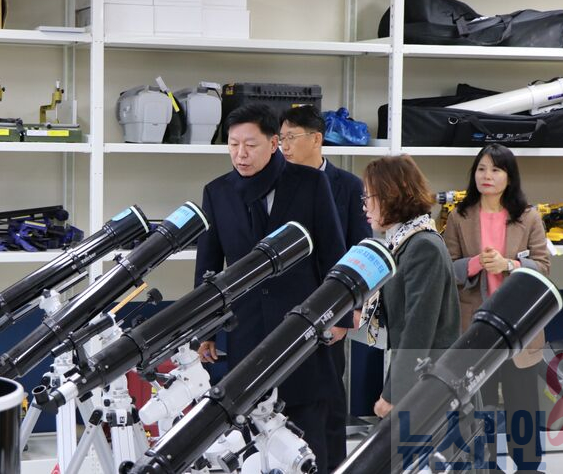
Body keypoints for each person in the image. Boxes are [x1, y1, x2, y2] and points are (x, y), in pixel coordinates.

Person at [194, 103, 347, 472]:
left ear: (274, 143)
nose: (240, 155)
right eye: (233, 145)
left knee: (308, 432)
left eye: (250, 145)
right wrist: (206, 331)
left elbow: (333, 253)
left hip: (303, 324)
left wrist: (340, 315)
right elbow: (209, 265)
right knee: (251, 432)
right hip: (246, 327)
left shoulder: (310, 183)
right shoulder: (217, 192)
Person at [278, 105, 377, 467]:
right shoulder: (276, 182)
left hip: (328, 310)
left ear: (317, 139)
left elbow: (360, 251)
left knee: (330, 399)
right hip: (282, 310)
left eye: (291, 138)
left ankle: (334, 466)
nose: (284, 146)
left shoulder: (347, 186)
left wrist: (348, 312)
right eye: (281, 139)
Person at [443, 143, 550, 474]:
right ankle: (485, 465)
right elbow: (447, 269)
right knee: (480, 405)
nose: (486, 176)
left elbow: (543, 266)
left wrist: (510, 264)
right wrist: (475, 263)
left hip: (519, 328)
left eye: (495, 169)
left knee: (523, 406)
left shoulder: (528, 216)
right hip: (476, 330)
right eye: (481, 169)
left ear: (509, 177)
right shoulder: (459, 217)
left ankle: (528, 466)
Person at [361, 155, 460, 417]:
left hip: (432, 384)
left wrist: (394, 394)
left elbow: (418, 328)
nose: (365, 206)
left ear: (391, 194)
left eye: (369, 197)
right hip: (422, 378)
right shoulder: (402, 243)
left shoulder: (423, 246)